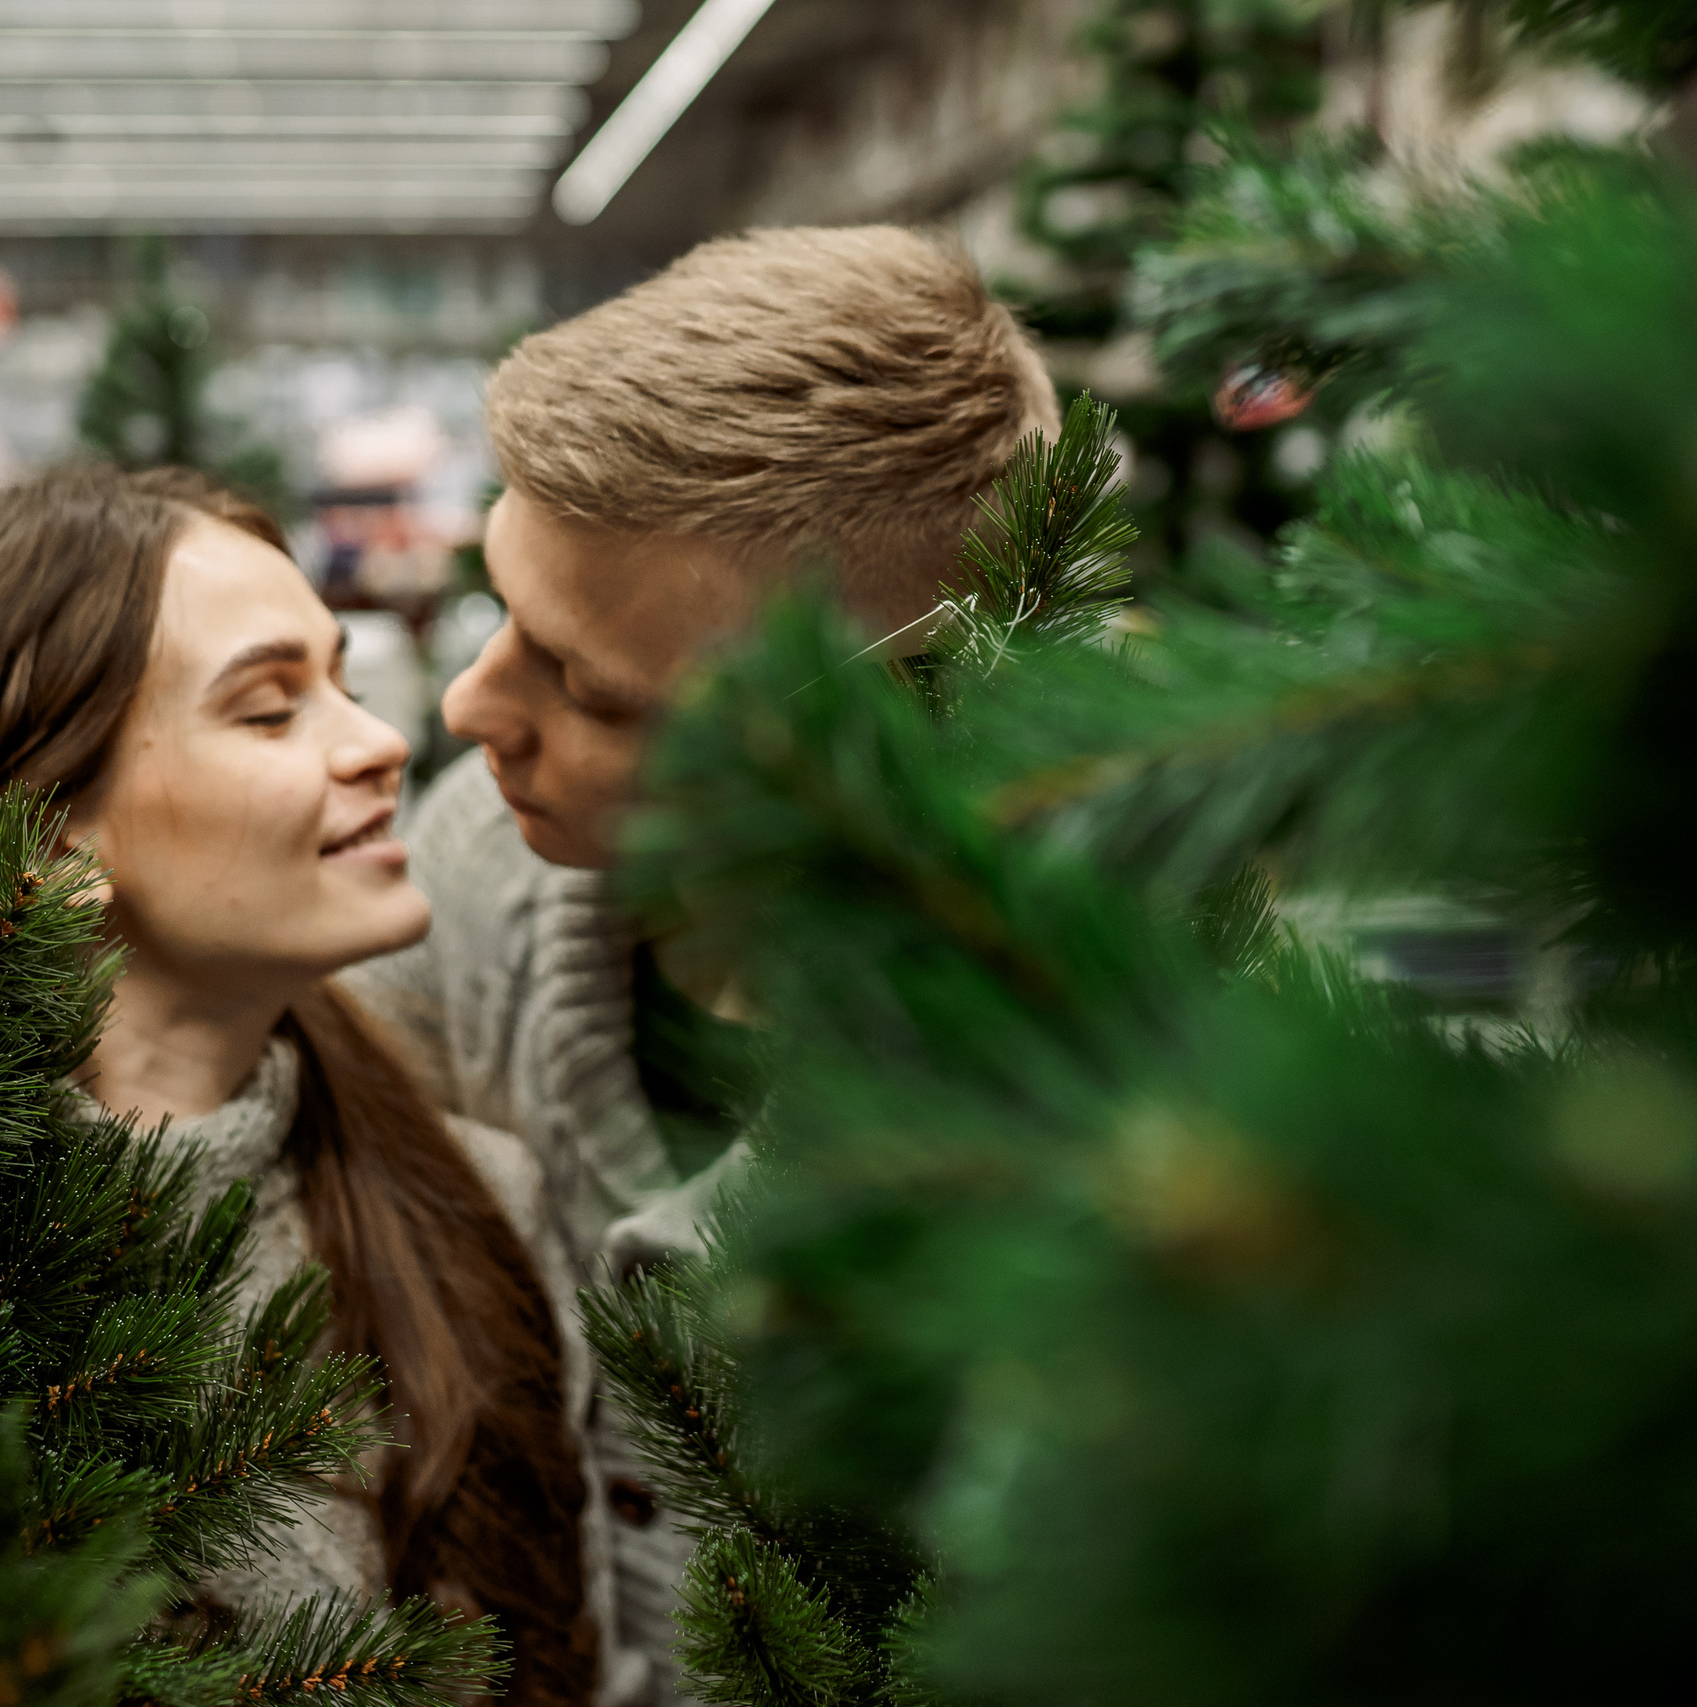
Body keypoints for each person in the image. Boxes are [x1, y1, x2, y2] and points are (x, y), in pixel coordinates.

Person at [339, 224, 1060, 1695]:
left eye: (590, 685)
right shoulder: (484, 853)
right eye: (499, 611)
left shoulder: (1075, 1080)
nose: (473, 707)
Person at [0, 464, 612, 1707]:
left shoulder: (477, 1200)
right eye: (270, 710)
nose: (383, 742)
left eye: (345, 682)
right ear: (41, 844)